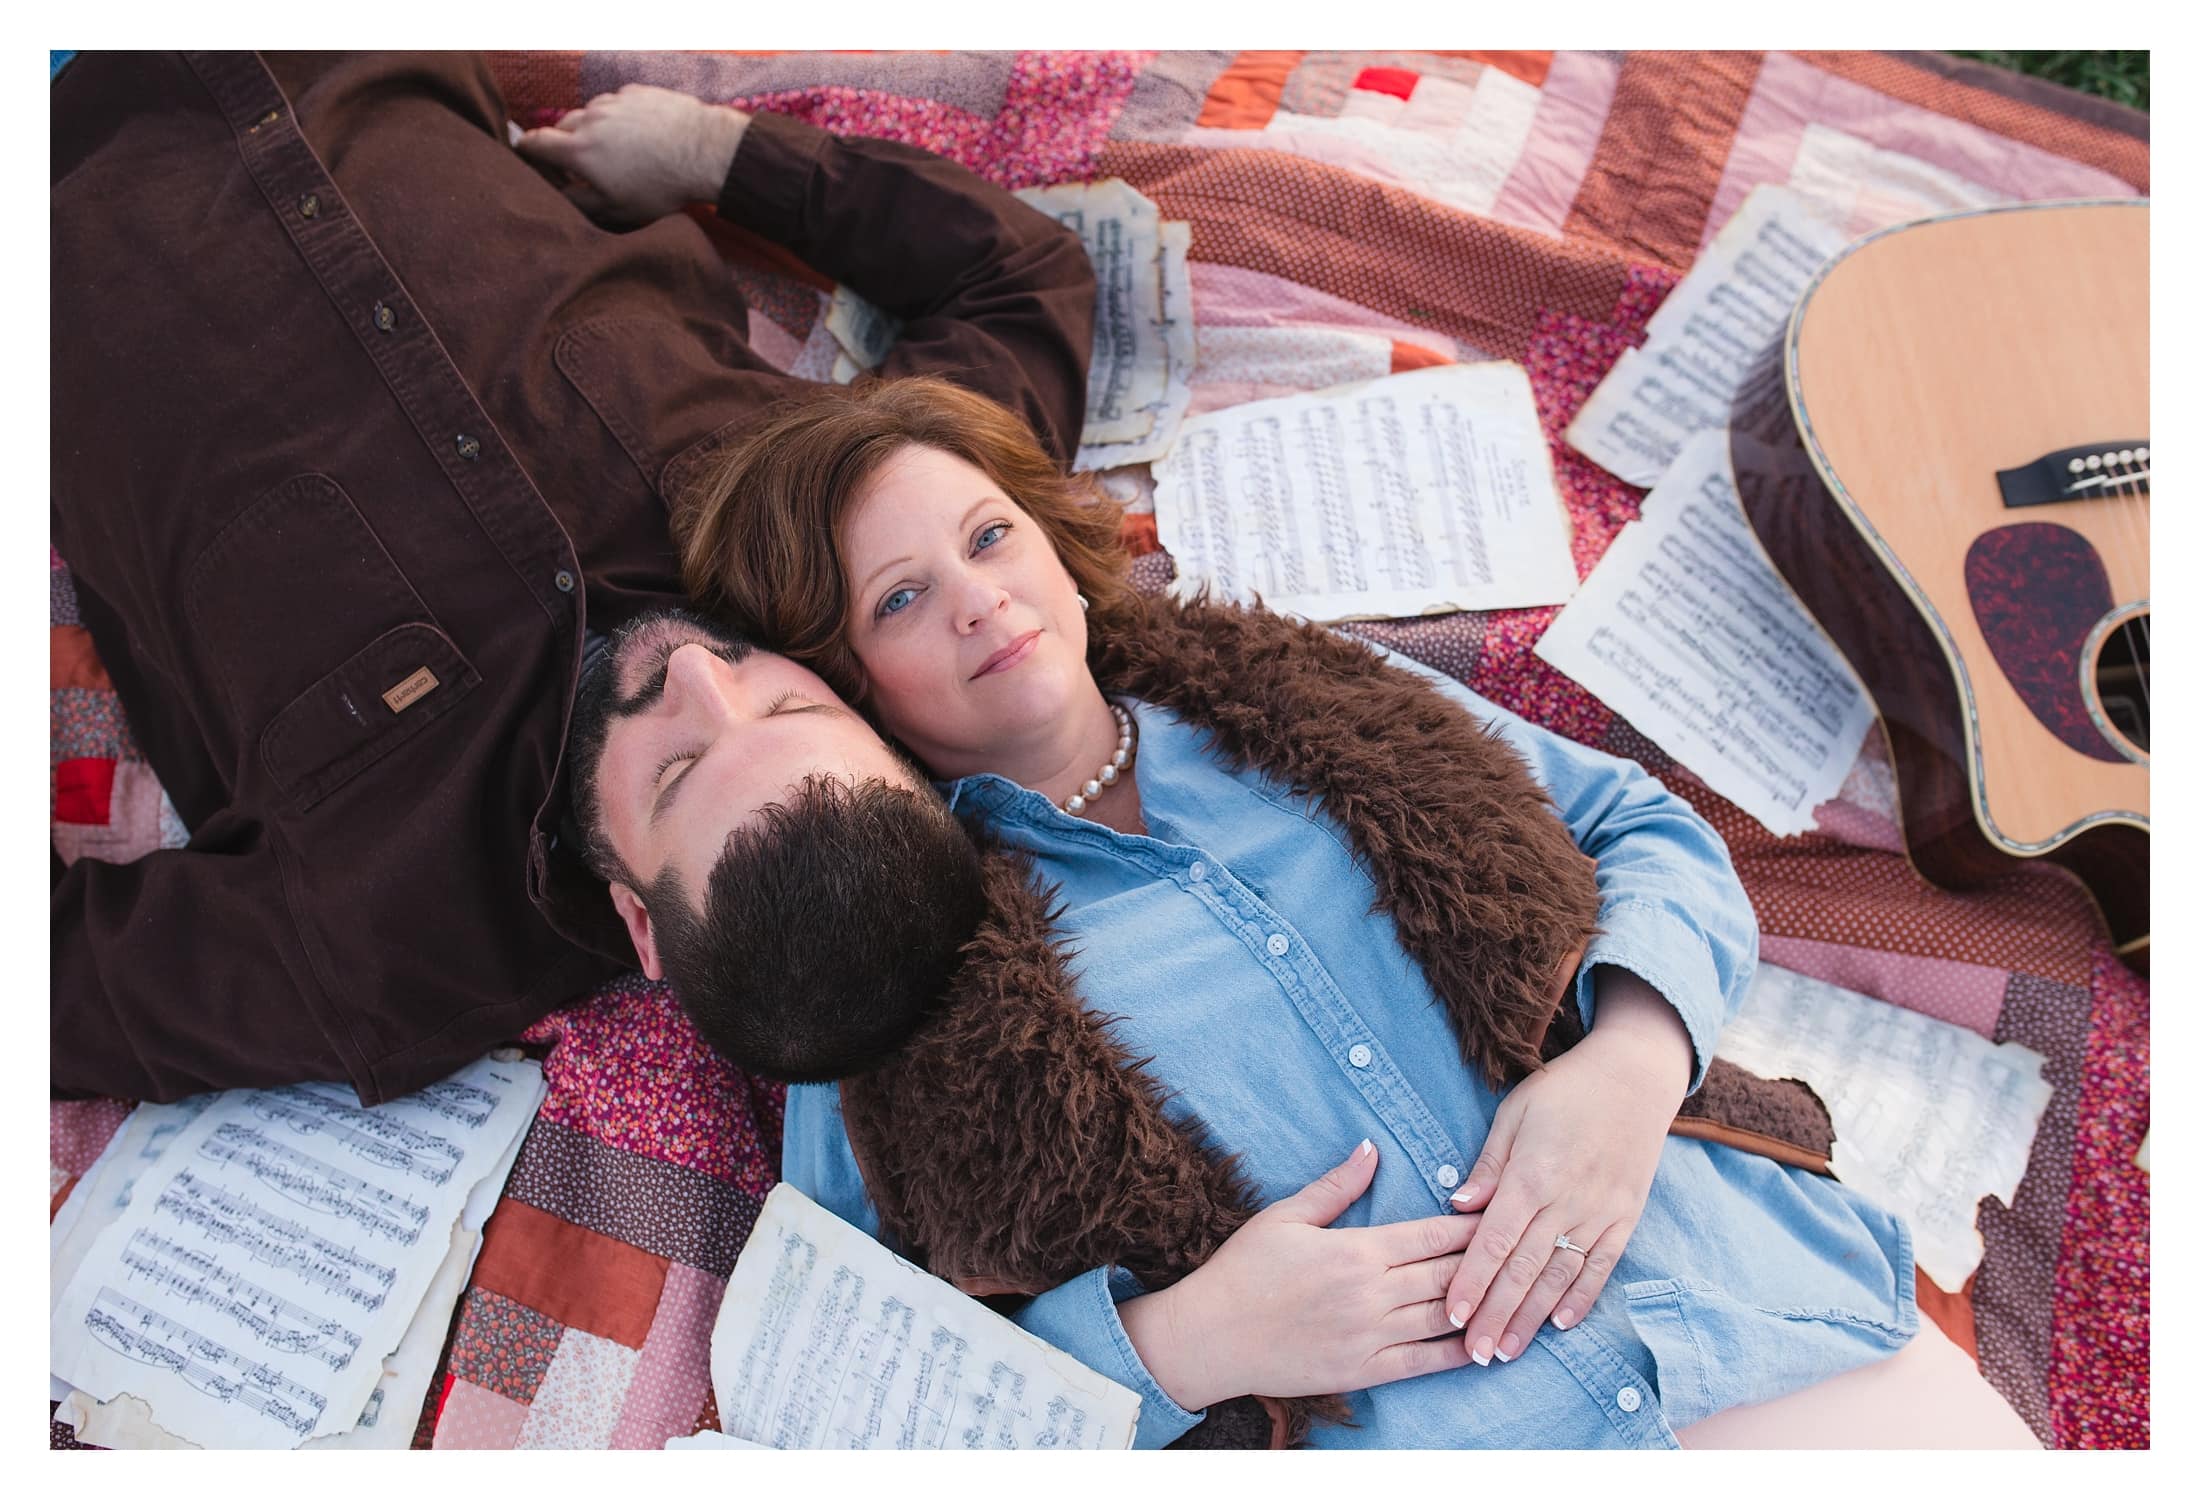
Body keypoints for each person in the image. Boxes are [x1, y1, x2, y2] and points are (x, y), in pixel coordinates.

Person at [666, 375, 2040, 1448]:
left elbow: (1643, 830)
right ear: (842, 678)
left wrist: (1629, 1066)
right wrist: (1182, 1344)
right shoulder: (881, 969)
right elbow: (868, 1384)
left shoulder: (1308, 691)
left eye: (989, 536)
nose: (982, 603)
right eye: (903, 598)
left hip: (1750, 1315)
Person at [49, 51, 1092, 1105]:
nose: (692, 674)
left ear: (640, 920)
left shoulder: (378, 953)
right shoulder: (844, 543)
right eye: (783, 704)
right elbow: (1021, 279)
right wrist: (714, 155)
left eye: (677, 770)